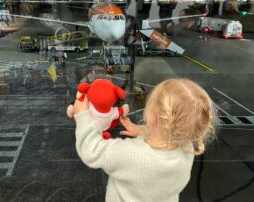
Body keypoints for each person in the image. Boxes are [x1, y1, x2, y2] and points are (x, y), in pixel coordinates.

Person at [72, 78, 217, 202]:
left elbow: (91, 150)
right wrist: (143, 131)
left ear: (152, 117)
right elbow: (169, 134)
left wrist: (82, 115)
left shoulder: (129, 154)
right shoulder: (187, 148)